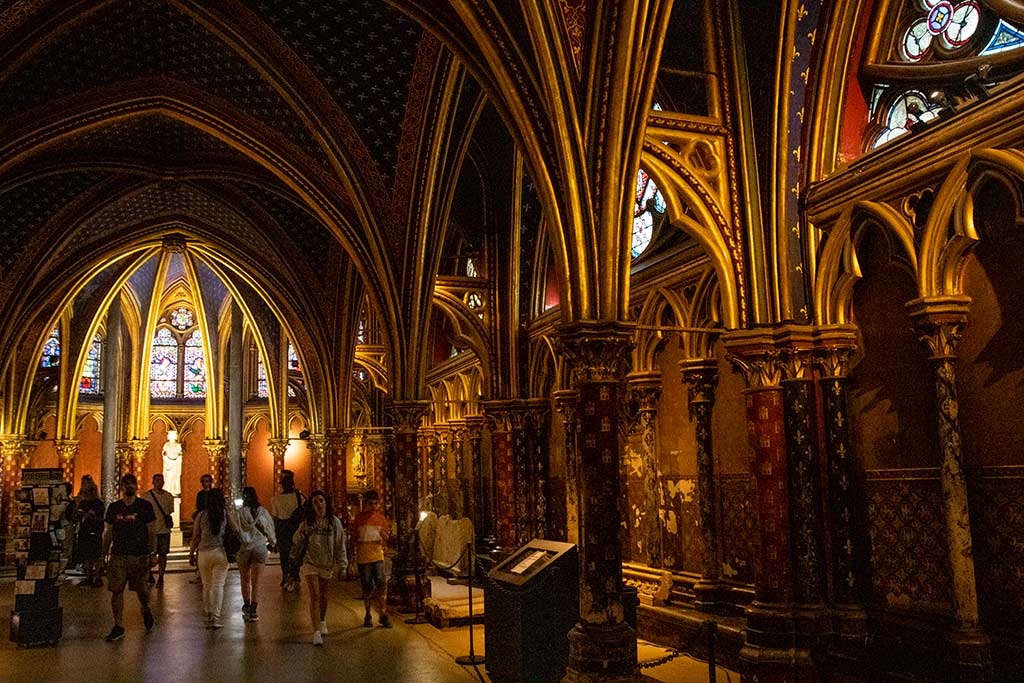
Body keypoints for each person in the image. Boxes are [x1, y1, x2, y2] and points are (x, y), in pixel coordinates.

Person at [101, 474, 156, 641]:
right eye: (127, 484)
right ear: (122, 487)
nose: (129, 487)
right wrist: (103, 553)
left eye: (132, 484)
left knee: (141, 589)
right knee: (116, 590)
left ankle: (145, 608)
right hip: (118, 554)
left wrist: (151, 553)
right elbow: (109, 531)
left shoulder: (144, 506)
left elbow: (151, 530)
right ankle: (118, 625)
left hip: (138, 555)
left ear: (136, 487)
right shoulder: (114, 508)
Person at [293, 490, 346, 645]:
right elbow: (295, 538)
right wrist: (304, 533)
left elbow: (339, 543)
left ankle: (322, 621)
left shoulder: (334, 522)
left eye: (321, 501)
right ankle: (316, 632)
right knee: (314, 595)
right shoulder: (307, 522)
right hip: (310, 562)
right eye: (315, 502)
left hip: (327, 562)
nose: (319, 504)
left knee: (323, 595)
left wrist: (342, 563)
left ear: (326, 503)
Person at [188, 487, 237, 628]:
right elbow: (236, 530)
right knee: (218, 585)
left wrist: (191, 554)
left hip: (203, 553)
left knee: (207, 585)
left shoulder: (201, 515)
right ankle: (216, 616)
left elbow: (196, 536)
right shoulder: (224, 514)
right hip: (220, 552)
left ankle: (208, 613)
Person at [351, 489, 391, 628]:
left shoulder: (381, 518)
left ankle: (383, 613)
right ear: (365, 504)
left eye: (376, 503)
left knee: (381, 583)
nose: (373, 506)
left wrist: (385, 536)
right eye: (371, 503)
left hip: (377, 555)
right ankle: (368, 614)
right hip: (363, 557)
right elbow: (354, 538)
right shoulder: (359, 519)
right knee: (367, 586)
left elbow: (385, 536)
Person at [235, 486, 276, 622]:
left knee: (244, 578)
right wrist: (272, 542)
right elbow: (269, 527)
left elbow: (236, 529)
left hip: (244, 548)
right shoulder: (262, 511)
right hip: (259, 547)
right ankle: (254, 608)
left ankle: (246, 604)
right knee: (256, 580)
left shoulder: (240, 512)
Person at [270, 470, 303, 592]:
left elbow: (275, 517)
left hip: (282, 528)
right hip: (296, 527)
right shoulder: (298, 497)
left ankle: (285, 576)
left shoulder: (275, 499)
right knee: (296, 552)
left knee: (284, 555)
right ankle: (295, 576)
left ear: (281, 485)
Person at [74, 475, 105, 587]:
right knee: (86, 556)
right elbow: (76, 515)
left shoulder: (98, 503)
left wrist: (91, 516)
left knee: (95, 555)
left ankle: (97, 577)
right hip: (84, 531)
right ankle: (88, 577)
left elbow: (101, 518)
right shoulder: (83, 503)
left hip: (95, 531)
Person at [145, 473, 174, 588]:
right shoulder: (146, 496)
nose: (159, 482)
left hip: (164, 530)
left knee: (163, 554)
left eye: (161, 480)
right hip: (151, 530)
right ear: (153, 482)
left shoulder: (168, 496)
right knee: (149, 554)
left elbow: (170, 511)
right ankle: (149, 573)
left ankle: (161, 576)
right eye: (157, 480)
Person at [189, 473, 213, 584]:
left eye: (207, 481)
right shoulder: (200, 494)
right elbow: (198, 506)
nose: (205, 483)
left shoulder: (214, 494)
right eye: (203, 481)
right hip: (202, 520)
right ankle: (199, 571)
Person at [161, 430, 182, 496]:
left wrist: (177, 459)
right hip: (168, 464)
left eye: (172, 435)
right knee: (168, 478)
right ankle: (167, 491)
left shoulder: (178, 445)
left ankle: (173, 492)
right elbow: (163, 454)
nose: (171, 436)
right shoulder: (166, 445)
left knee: (174, 478)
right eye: (170, 435)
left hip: (175, 465)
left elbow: (180, 455)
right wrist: (165, 457)